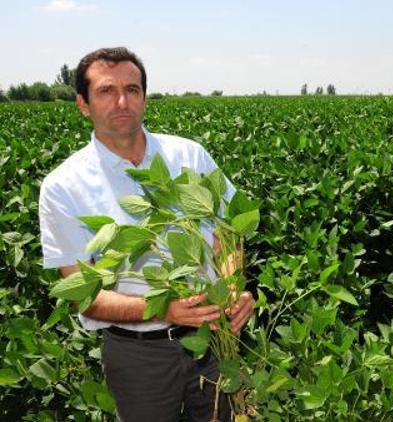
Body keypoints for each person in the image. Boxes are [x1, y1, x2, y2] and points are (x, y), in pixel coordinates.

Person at [38, 47, 254, 421]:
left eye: (132, 89)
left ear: (144, 98)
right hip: (139, 355)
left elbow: (230, 233)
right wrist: (164, 309)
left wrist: (234, 287)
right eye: (106, 91)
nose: (122, 101)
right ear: (83, 104)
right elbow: (83, 295)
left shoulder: (190, 155)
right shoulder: (63, 186)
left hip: (214, 341)